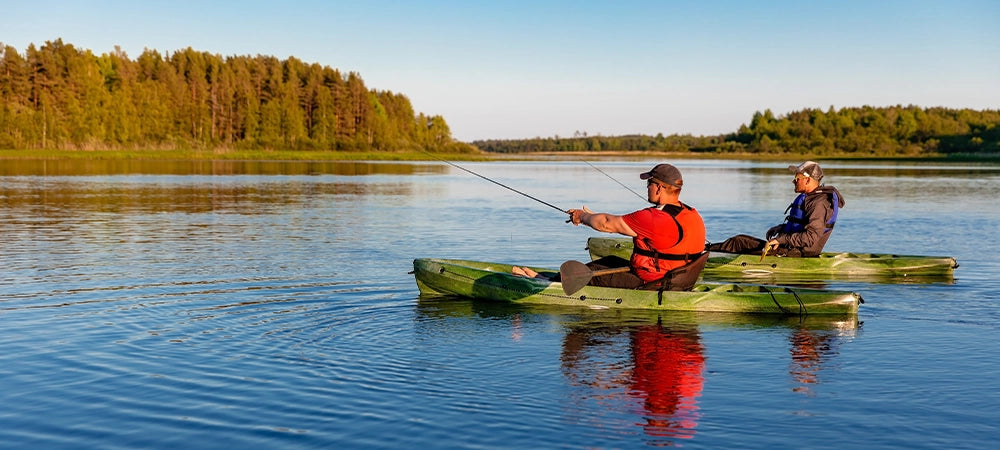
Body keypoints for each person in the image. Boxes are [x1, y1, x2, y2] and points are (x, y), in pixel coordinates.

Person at [513, 163, 707, 290]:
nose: (646, 186)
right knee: (610, 261)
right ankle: (554, 278)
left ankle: (546, 283)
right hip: (677, 279)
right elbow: (624, 226)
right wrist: (592, 216)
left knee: (592, 276)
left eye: (649, 182)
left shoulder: (653, 218)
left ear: (659, 187)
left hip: (651, 282)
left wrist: (581, 216)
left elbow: (606, 224)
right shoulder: (692, 214)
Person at [707, 161, 845, 257]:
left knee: (738, 244)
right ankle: (705, 250)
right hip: (791, 249)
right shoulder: (812, 198)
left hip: (798, 253)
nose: (793, 181)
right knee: (739, 240)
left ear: (808, 180)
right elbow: (802, 226)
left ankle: (701, 255)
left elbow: (810, 238)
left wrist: (780, 240)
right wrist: (781, 228)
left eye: (797, 178)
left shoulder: (818, 203)